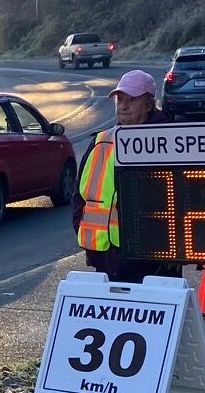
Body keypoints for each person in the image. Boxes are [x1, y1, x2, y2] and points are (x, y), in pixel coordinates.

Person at [72, 68, 168, 279]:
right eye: (119, 99)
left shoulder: (167, 141)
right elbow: (79, 195)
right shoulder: (101, 141)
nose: (123, 106)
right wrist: (81, 226)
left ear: (149, 104)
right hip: (104, 260)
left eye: (131, 100)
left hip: (152, 264)